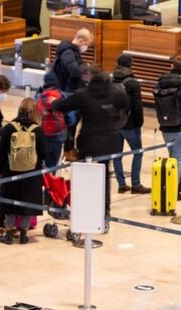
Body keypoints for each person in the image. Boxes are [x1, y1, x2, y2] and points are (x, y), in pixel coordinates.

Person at [53, 64, 129, 223]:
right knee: (104, 174)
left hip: (89, 141)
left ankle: (84, 207)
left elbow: (61, 106)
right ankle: (105, 210)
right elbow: (127, 105)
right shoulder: (116, 92)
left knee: (84, 174)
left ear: (90, 76)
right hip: (109, 139)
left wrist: (54, 100)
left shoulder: (84, 94)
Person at [0, 98, 47, 245]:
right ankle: (24, 233)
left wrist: (0, 171)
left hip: (11, 171)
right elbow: (44, 154)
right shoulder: (37, 130)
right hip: (32, 173)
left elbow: (1, 152)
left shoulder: (9, 128)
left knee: (9, 201)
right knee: (27, 201)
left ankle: (9, 233)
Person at [112, 53, 150, 194]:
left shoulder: (112, 80)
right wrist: (139, 122)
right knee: (138, 152)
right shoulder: (132, 83)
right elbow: (137, 105)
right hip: (130, 124)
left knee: (117, 155)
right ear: (130, 64)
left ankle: (121, 184)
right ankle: (136, 184)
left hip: (115, 123)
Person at [54, 28, 93, 151]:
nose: (86, 47)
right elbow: (74, 71)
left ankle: (69, 147)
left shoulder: (71, 51)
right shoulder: (68, 52)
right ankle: (68, 148)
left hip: (70, 89)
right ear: (81, 41)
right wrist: (85, 68)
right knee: (71, 121)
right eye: (86, 44)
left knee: (72, 121)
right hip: (68, 91)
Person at [36, 72, 66, 168]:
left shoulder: (39, 96)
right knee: (52, 166)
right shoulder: (62, 96)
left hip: (41, 135)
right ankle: (50, 181)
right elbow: (71, 118)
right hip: (58, 136)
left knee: (40, 165)